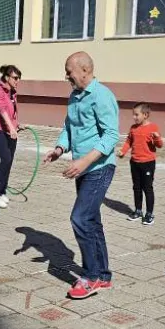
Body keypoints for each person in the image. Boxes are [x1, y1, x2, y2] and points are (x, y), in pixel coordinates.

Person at [43, 52, 119, 300]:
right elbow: (69, 126)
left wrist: (84, 160)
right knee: (92, 221)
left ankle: (91, 276)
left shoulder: (102, 96)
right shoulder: (75, 96)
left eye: (69, 71)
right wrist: (59, 149)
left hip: (99, 167)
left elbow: (111, 135)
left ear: (85, 70)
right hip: (83, 169)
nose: (66, 76)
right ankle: (103, 276)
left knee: (80, 218)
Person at [117, 102, 163, 225]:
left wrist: (157, 137)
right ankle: (138, 210)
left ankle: (149, 213)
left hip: (148, 163)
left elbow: (159, 145)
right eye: (133, 114)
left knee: (147, 188)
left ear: (145, 115)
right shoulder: (133, 128)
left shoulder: (153, 127)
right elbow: (129, 141)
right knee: (136, 187)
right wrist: (123, 151)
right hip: (134, 163)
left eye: (136, 115)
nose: (134, 117)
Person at [0, 65, 21, 209]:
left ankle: (2, 191)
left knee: (9, 161)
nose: (17, 80)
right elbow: (2, 110)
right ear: (7, 77)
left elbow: (12, 113)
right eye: (15, 78)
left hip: (10, 131)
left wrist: (17, 125)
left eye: (19, 78)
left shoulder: (12, 93)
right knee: (5, 159)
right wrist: (10, 127)